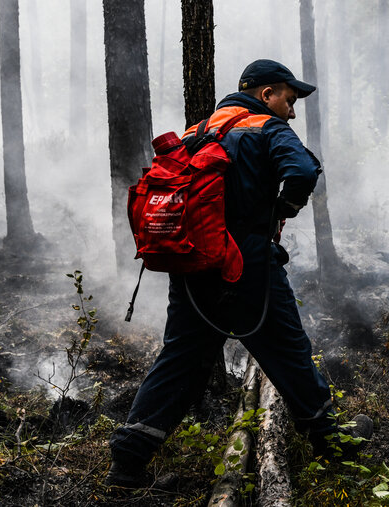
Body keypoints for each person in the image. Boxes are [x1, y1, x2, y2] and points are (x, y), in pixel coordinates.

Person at [106, 59, 372, 488]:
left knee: (180, 361)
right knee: (288, 353)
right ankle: (334, 444)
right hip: (246, 265)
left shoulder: (196, 132)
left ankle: (127, 460)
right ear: (266, 94)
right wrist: (285, 209)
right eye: (289, 98)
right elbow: (303, 171)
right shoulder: (267, 128)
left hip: (192, 268)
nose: (292, 110)